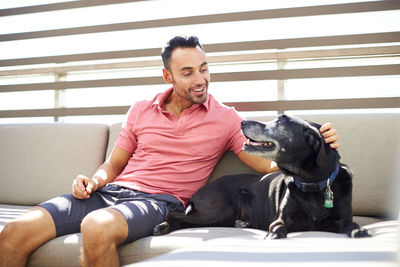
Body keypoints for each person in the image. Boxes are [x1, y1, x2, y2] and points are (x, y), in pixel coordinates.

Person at [0, 36, 339, 267]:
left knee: (97, 227)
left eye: (204, 68)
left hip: (161, 201)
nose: (200, 80)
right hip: (111, 193)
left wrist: (316, 149)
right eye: (188, 72)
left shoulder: (226, 118)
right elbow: (114, 163)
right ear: (167, 75)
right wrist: (93, 180)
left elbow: (266, 164)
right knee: (13, 232)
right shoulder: (140, 109)